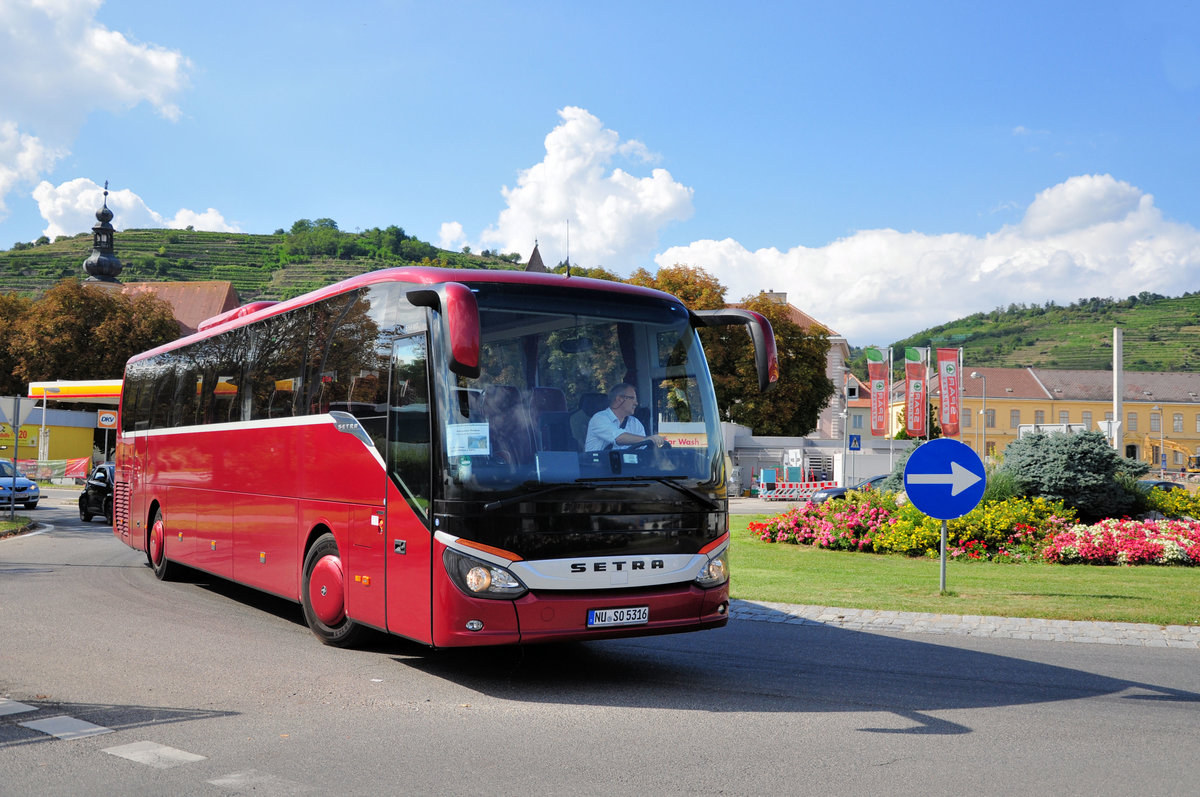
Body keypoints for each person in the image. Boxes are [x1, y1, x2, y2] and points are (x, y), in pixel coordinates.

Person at [584, 383, 666, 451]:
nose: (636, 403)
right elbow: (618, 438)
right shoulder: (599, 418)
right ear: (619, 399)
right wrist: (648, 439)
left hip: (626, 469)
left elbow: (642, 450)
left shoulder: (635, 423)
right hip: (598, 469)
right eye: (632, 398)